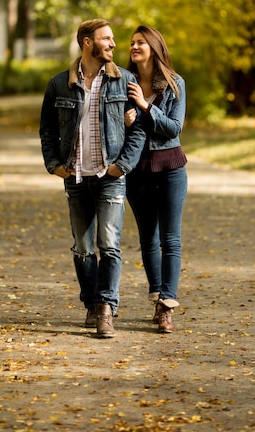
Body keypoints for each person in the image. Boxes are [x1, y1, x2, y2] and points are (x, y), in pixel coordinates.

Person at [39, 19, 146, 338]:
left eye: (114, 39)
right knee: (83, 249)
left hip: (110, 176)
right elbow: (47, 129)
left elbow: (138, 127)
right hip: (75, 177)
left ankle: (105, 310)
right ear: (87, 43)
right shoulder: (59, 84)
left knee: (109, 246)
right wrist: (54, 165)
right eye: (107, 39)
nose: (114, 44)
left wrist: (122, 165)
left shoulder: (124, 80)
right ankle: (91, 302)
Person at [124, 25, 187, 334]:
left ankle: (167, 305)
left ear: (154, 47)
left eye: (140, 42)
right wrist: (123, 120)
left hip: (171, 166)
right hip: (137, 169)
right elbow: (111, 129)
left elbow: (174, 128)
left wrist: (146, 108)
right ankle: (157, 295)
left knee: (170, 239)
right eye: (132, 42)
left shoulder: (175, 84)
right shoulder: (122, 83)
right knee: (148, 238)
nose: (134, 46)